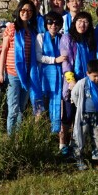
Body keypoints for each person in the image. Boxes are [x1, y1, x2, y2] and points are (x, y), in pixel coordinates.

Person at [0, 0, 44, 134]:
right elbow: (4, 51)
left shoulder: (32, 31)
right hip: (13, 74)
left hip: (28, 74)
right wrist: (0, 73)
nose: (26, 13)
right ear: (18, 11)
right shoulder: (11, 28)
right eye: (23, 10)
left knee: (21, 108)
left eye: (29, 10)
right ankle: (10, 137)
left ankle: (18, 137)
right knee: (13, 108)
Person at [62, 10, 97, 158]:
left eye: (86, 21)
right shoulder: (67, 38)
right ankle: (63, 144)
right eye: (79, 21)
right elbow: (66, 61)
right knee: (69, 115)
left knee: (82, 116)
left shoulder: (89, 40)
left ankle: (77, 146)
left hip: (86, 84)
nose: (82, 24)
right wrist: (72, 81)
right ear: (74, 22)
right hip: (71, 83)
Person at [36, 12, 71, 158]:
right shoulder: (41, 37)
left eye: (56, 23)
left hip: (59, 79)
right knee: (40, 110)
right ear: (46, 24)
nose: (53, 26)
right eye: (50, 23)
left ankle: (60, 143)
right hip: (43, 78)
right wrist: (54, 60)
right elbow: (38, 56)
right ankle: (39, 140)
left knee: (58, 109)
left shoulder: (62, 38)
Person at [71, 59, 98, 169]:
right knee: (80, 137)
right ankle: (79, 159)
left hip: (97, 115)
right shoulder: (82, 83)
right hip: (84, 115)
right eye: (94, 76)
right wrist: (79, 106)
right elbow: (74, 94)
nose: (97, 78)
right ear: (88, 74)